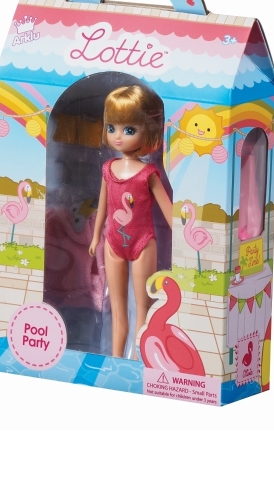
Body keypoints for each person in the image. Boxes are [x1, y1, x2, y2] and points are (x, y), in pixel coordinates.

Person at [89, 85, 172, 358]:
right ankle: (115, 358)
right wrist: (96, 236)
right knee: (117, 310)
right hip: (113, 243)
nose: (118, 136)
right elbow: (103, 205)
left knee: (142, 309)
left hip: (143, 244)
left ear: (147, 131)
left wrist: (185, 240)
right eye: (111, 128)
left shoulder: (148, 173)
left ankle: (137, 359)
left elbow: (168, 210)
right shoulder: (108, 169)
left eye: (128, 129)